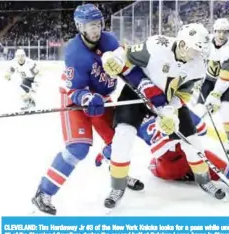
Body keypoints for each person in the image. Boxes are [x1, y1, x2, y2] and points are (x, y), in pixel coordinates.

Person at [31, 4, 143, 215]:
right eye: (90, 25)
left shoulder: (109, 40)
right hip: (74, 101)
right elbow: (73, 89)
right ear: (80, 27)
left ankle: (118, 172)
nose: (96, 29)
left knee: (120, 141)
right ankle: (43, 193)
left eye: (98, 24)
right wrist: (87, 97)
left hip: (101, 100)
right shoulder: (75, 53)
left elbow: (121, 67)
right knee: (78, 148)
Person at [101, 23, 224, 209]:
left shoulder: (198, 66)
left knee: (191, 140)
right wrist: (112, 59)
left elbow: (183, 94)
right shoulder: (156, 45)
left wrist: (170, 111)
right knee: (123, 135)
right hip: (136, 93)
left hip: (166, 101)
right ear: (183, 45)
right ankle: (117, 186)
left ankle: (204, 179)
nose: (199, 55)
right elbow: (126, 56)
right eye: (196, 50)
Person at [97, 112, 229, 208]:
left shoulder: (133, 116)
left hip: (163, 169)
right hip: (189, 158)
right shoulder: (175, 107)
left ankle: (188, 176)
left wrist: (104, 156)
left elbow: (118, 146)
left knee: (155, 164)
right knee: (227, 170)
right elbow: (202, 129)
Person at [195, 18, 229, 155]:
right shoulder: (205, 42)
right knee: (199, 109)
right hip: (210, 78)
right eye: (219, 32)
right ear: (214, 31)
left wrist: (215, 95)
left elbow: (226, 77)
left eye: (225, 32)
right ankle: (191, 137)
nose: (221, 35)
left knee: (226, 109)